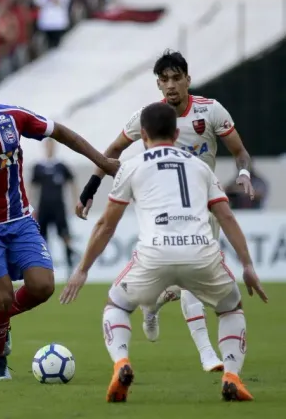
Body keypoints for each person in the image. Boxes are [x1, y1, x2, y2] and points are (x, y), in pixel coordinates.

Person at [60, 102, 267, 402]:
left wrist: (82, 270)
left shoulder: (132, 167)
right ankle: (232, 376)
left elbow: (106, 224)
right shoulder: (200, 167)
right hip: (202, 253)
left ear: (143, 134)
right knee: (230, 308)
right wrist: (247, 265)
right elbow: (226, 217)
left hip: (154, 255)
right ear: (175, 132)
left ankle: (122, 362)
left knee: (116, 305)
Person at [75, 50, 254, 372]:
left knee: (185, 279)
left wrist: (243, 173)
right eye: (164, 80)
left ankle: (151, 307)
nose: (170, 85)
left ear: (188, 79)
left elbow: (240, 152)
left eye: (176, 78)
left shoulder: (210, 111)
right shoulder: (148, 117)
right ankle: (206, 354)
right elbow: (112, 151)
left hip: (204, 207)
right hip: (162, 210)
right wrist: (90, 188)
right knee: (190, 278)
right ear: (158, 84)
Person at [0, 56, 119, 380]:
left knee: (43, 286)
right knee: (4, 296)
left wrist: (103, 162)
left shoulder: (12, 118)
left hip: (20, 219)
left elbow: (61, 133)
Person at [31, 138, 79, 273]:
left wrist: (75, 201)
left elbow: (72, 182)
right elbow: (32, 187)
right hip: (43, 207)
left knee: (65, 236)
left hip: (59, 207)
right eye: (47, 146)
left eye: (51, 146)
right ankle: (43, 267)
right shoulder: (38, 167)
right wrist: (31, 206)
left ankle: (70, 266)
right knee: (42, 238)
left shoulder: (61, 166)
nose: (49, 148)